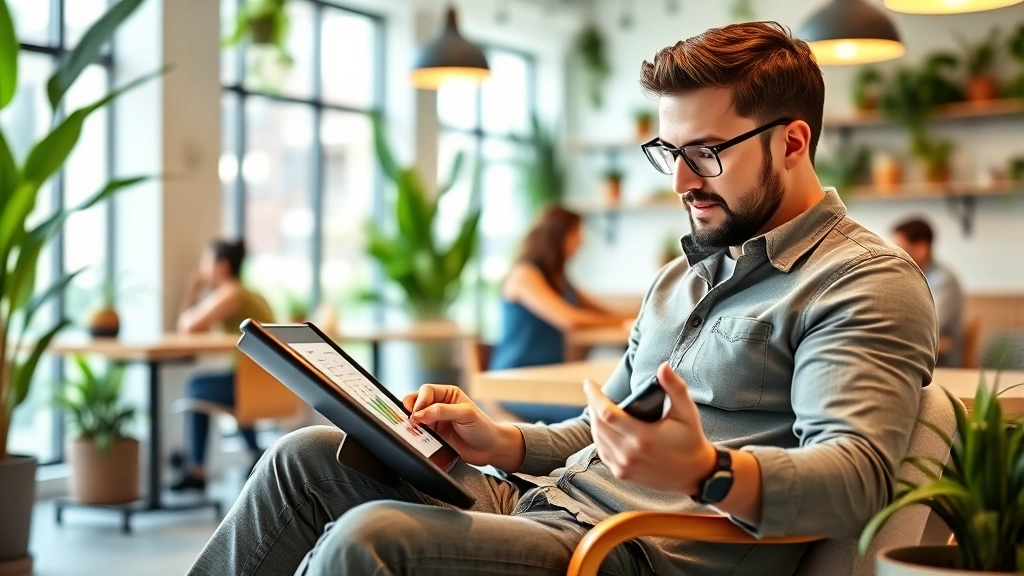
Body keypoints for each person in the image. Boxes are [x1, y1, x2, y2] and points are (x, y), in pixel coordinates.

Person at [188, 22, 937, 576]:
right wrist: (499, 441)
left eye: (706, 153)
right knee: (303, 457)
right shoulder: (681, 278)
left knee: (372, 539)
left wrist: (704, 471)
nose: (682, 182)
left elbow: (856, 481)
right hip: (545, 505)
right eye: (669, 154)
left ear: (793, 142)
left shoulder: (859, 281)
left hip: (633, 551)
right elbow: (600, 429)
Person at [489, 206, 631, 422]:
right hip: (514, 383)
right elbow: (569, 319)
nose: (581, 242)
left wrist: (636, 317)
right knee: (598, 412)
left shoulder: (559, 279)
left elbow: (601, 311)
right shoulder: (524, 275)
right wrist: (622, 322)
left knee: (614, 404)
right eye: (576, 234)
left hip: (547, 379)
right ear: (558, 235)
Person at [172, 239, 276, 492]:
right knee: (216, 386)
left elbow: (188, 327)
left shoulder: (231, 293)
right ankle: (254, 454)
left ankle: (197, 471)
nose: (202, 269)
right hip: (270, 384)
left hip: (252, 385)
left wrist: (194, 288)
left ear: (222, 266)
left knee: (196, 387)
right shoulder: (251, 294)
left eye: (206, 262)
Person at [892, 218, 965, 367]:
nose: (894, 256)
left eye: (900, 249)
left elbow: (928, 326)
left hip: (938, 366)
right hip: (914, 358)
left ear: (922, 248)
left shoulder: (943, 281)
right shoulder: (909, 278)